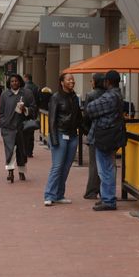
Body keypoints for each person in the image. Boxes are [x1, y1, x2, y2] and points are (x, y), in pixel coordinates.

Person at [86, 70, 123, 211]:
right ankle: (106, 197)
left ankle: (108, 199)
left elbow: (90, 109)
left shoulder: (110, 96)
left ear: (108, 82)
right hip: (109, 135)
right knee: (106, 167)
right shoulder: (116, 95)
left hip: (104, 136)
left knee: (105, 169)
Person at [43, 73, 82, 206]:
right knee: (57, 166)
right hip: (59, 135)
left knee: (66, 167)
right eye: (69, 79)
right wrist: (53, 139)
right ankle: (49, 194)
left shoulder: (75, 97)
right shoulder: (55, 97)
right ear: (61, 82)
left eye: (73, 79)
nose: (72, 81)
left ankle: (59, 194)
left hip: (72, 136)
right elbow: (52, 119)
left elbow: (79, 117)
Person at [0, 73, 37, 183]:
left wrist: (25, 109)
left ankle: (21, 171)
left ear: (20, 81)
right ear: (9, 83)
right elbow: (1, 111)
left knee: (22, 151)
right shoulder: (5, 95)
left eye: (16, 81)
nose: (14, 83)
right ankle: (10, 172)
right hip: (8, 127)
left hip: (22, 127)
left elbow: (34, 108)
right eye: (12, 81)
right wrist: (3, 122)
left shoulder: (27, 93)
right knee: (10, 150)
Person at [82, 73, 105, 200]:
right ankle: (104, 190)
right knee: (107, 163)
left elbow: (86, 115)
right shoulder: (110, 95)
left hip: (94, 132)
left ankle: (91, 191)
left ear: (95, 82)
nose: (91, 82)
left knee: (94, 164)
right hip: (108, 133)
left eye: (92, 80)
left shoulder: (91, 95)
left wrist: (87, 130)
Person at [22, 73, 40, 158]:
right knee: (31, 130)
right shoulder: (36, 87)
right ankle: (30, 151)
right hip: (34, 111)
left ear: (26, 78)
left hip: (26, 111)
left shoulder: (25, 88)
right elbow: (38, 100)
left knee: (25, 131)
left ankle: (25, 150)